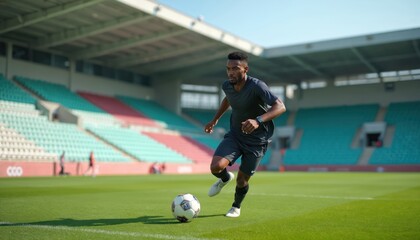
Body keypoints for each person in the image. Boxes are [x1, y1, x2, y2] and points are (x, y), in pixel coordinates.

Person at [204, 51, 286, 218]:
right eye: (228, 69)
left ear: (245, 69)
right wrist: (215, 119)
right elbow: (228, 99)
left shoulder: (257, 86)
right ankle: (225, 178)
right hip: (235, 135)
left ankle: (236, 207)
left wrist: (258, 120)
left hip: (257, 141)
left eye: (235, 68)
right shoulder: (227, 85)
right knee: (215, 167)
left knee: (242, 180)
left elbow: (280, 107)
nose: (231, 72)